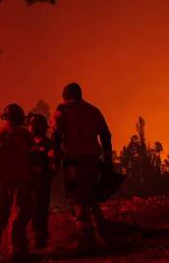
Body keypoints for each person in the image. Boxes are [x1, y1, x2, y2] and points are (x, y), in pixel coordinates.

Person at [51, 82, 113, 252]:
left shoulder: (61, 111)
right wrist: (108, 157)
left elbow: (56, 135)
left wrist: (55, 158)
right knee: (91, 198)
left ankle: (87, 241)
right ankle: (105, 236)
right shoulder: (93, 110)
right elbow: (106, 134)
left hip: (73, 161)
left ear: (65, 96)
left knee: (77, 200)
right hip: (92, 160)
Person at [0, 104, 33, 263]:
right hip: (20, 181)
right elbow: (34, 156)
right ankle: (17, 252)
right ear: (19, 117)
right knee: (18, 216)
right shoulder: (25, 134)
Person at [26, 113, 59, 251]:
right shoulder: (25, 142)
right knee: (26, 210)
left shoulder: (47, 143)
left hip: (41, 183)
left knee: (40, 209)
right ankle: (26, 240)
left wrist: (49, 169)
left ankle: (39, 239)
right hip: (27, 182)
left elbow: (54, 164)